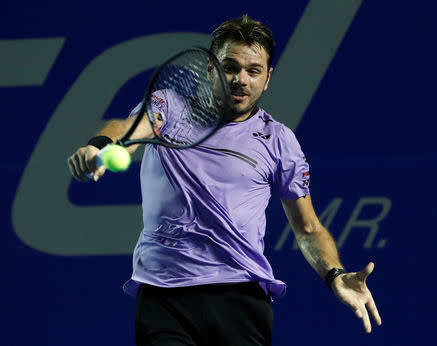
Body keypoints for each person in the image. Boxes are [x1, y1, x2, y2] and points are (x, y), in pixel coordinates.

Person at [68, 14, 381, 346]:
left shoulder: (278, 140)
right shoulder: (170, 107)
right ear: (209, 69)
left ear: (268, 78)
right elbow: (125, 129)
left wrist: (335, 275)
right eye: (230, 67)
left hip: (241, 297)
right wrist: (97, 147)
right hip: (165, 294)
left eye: (253, 71)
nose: (240, 79)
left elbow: (308, 229)